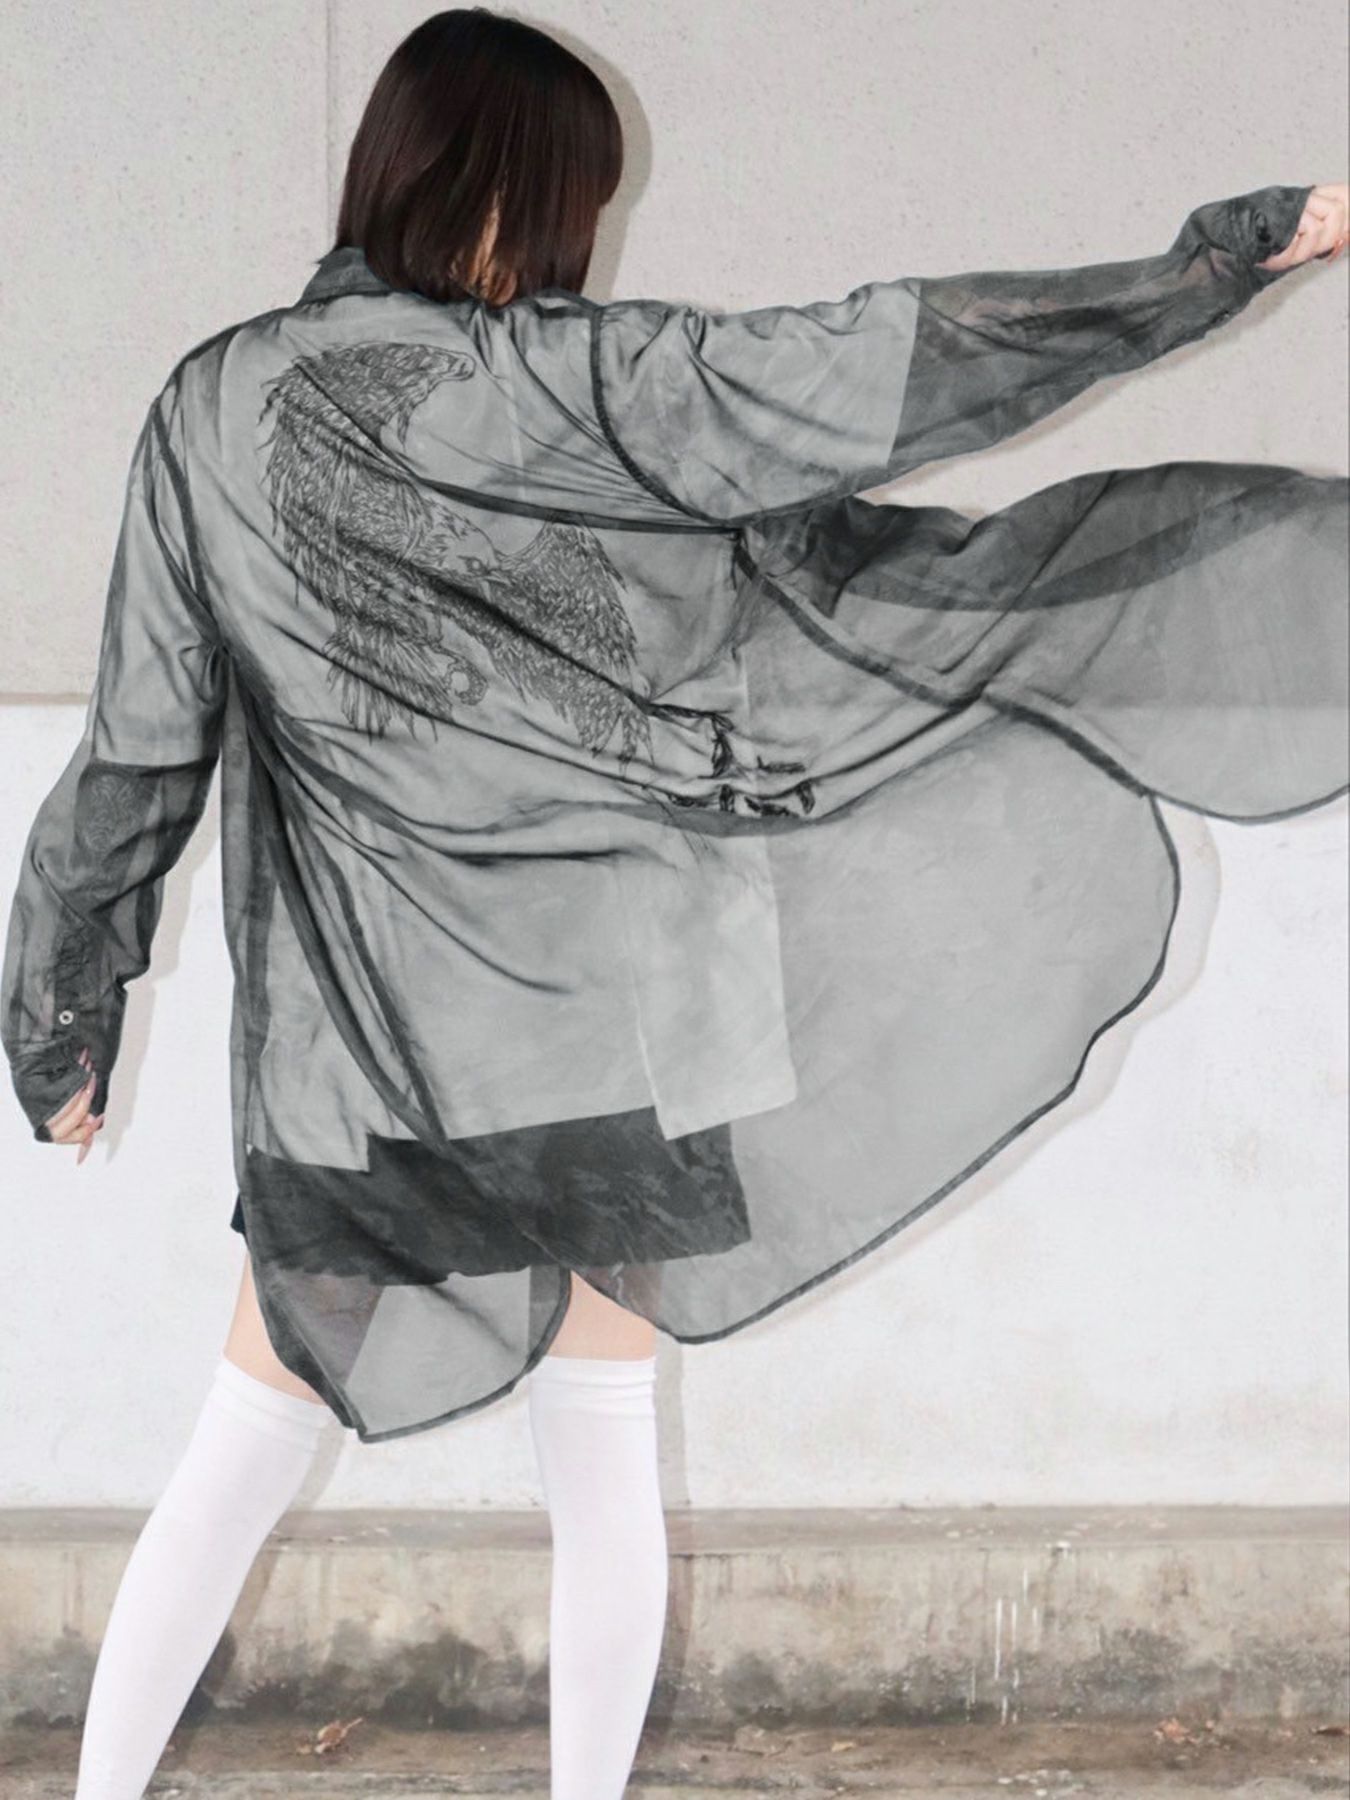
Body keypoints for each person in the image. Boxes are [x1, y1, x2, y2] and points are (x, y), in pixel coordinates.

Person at [3, 9, 1346, 1798]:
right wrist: (1205, 267)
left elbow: (138, 746)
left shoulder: (211, 408)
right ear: (513, 195)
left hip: (370, 1054)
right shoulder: (584, 388)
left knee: (243, 1437)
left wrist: (61, 1009)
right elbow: (890, 355)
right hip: (618, 1025)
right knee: (601, 1444)